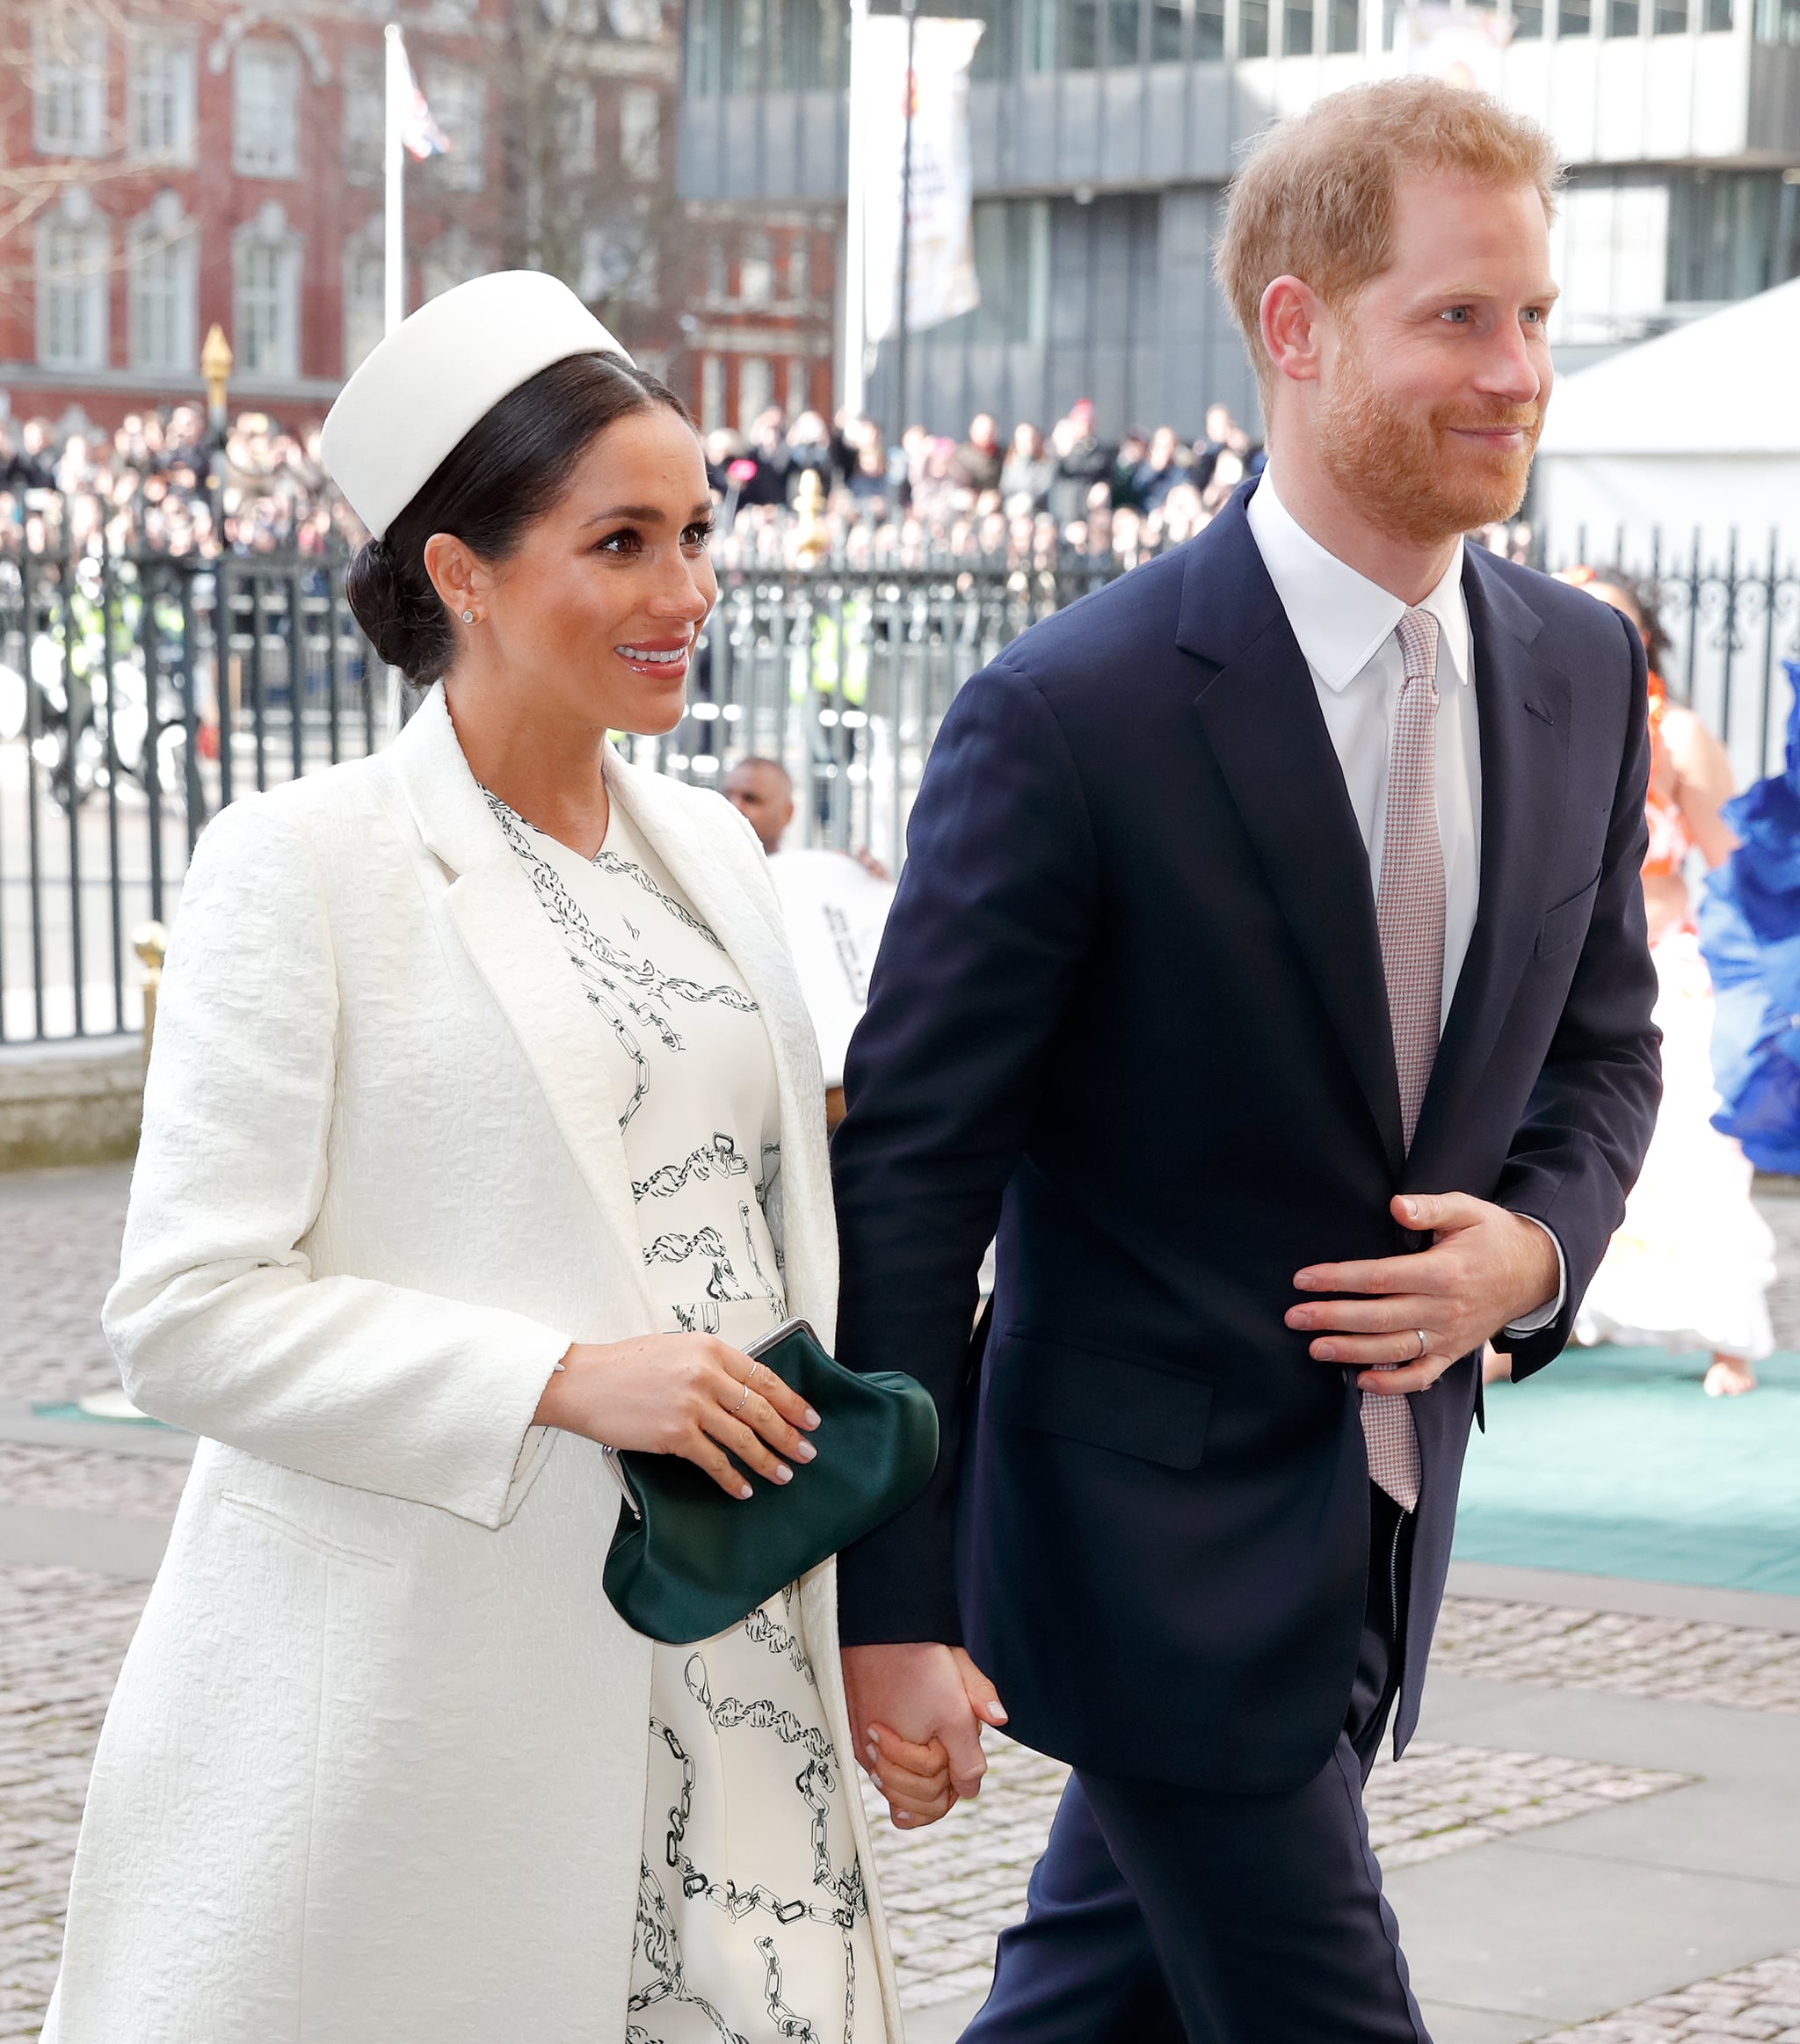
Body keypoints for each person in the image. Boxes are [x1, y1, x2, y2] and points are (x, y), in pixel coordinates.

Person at [830, 76, 1659, 2043]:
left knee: (1087, 2000)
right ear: (1295, 329)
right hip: (1138, 1560)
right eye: (1458, 317)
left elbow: (1605, 1064)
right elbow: (916, 1174)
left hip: (1376, 1539)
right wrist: (887, 1600)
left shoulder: (1577, 668)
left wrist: (1525, 1258)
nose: (1516, 370)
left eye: (1533, 318)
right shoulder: (1069, 712)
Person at [43, 273, 907, 2044]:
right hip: (427, 1708)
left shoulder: (716, 855)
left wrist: (889, 1618)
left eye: (695, 532)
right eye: (619, 543)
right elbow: (189, 1316)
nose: (685, 593)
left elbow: (775, 1244)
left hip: (732, 1681)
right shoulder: (300, 865)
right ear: (463, 573)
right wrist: (567, 1379)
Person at [1560, 570, 1773, 1396]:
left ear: (1641, 639)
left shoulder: (1678, 736)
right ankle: (1562, 1304)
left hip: (1669, 967)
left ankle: (1729, 1337)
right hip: (1565, 973)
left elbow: (1734, 870)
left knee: (1689, 1149)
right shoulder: (1538, 727)